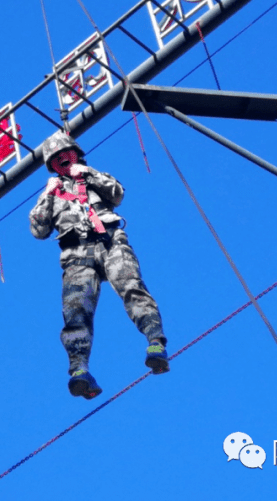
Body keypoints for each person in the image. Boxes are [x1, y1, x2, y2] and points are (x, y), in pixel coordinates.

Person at [29, 130, 169, 399]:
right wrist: (49, 194)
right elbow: (38, 230)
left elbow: (117, 193)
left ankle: (155, 342)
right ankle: (79, 370)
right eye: (58, 160)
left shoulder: (94, 178)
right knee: (75, 311)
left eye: (67, 156)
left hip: (110, 242)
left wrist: (88, 174)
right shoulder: (52, 193)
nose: (64, 162)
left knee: (132, 287)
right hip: (75, 254)